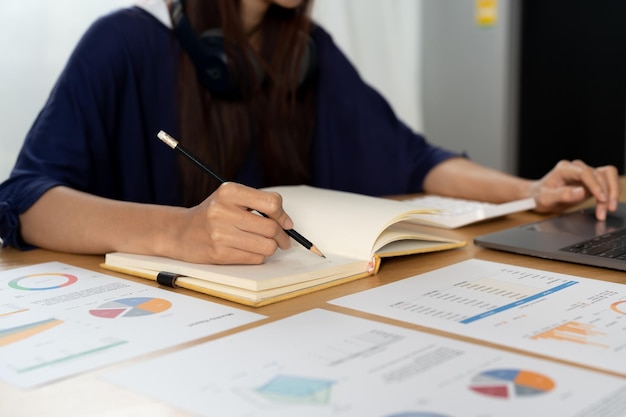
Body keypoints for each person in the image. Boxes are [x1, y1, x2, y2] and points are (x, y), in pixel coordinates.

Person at [0, 0, 619, 265]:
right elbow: (25, 200)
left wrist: (529, 191)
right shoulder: (123, 43)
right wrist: (179, 230)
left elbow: (412, 158)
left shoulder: (306, 55)